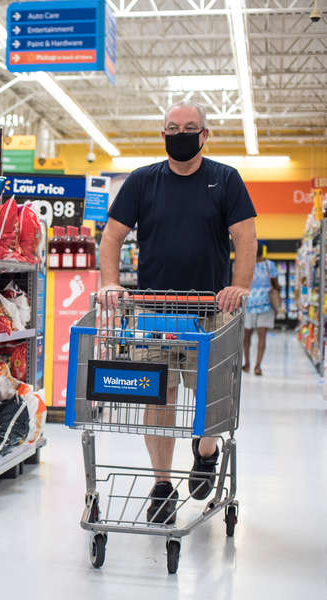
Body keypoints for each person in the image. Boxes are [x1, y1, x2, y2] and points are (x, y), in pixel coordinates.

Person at [98, 101, 257, 524]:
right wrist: (111, 282)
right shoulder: (142, 181)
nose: (180, 133)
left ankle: (205, 451)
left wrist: (239, 286)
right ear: (163, 133)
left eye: (189, 127)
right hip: (155, 311)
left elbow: (245, 235)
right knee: (160, 397)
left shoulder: (225, 180)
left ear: (204, 135)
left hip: (210, 310)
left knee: (210, 398)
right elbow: (112, 236)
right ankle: (162, 484)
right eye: (172, 127)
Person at [243, 241, 280, 375]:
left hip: (248, 306)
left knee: (246, 338)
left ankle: (246, 364)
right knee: (262, 337)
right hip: (265, 306)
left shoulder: (246, 265)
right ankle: (257, 367)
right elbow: (276, 285)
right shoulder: (270, 265)